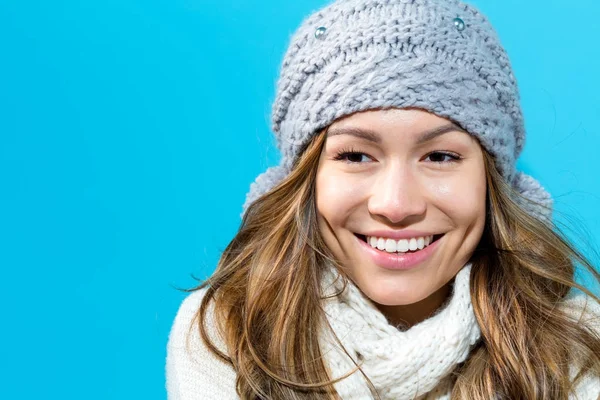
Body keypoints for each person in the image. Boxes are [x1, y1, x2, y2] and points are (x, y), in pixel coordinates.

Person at [166, 0, 600, 398]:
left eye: (440, 156)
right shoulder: (227, 332)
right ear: (306, 179)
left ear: (491, 181)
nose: (395, 205)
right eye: (355, 155)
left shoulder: (582, 342)